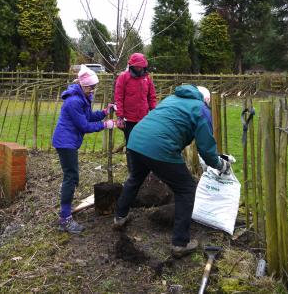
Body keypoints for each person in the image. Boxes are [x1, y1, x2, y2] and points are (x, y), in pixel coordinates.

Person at [113, 84, 231, 257]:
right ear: (206, 99)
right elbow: (206, 149)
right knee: (186, 189)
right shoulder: (201, 109)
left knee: (135, 178)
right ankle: (180, 243)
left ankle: (120, 217)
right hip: (160, 147)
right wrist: (220, 165)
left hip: (136, 140)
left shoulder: (171, 99)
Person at [52, 65, 116, 234]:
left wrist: (104, 112)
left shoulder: (83, 97)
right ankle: (65, 219)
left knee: (72, 177)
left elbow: (87, 116)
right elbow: (84, 125)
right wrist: (105, 125)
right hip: (65, 142)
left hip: (69, 141)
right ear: (82, 84)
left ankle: (65, 214)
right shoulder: (74, 101)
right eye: (90, 87)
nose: (92, 90)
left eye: (94, 87)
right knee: (71, 178)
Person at [114, 53, 157, 169]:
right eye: (137, 66)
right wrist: (120, 116)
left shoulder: (147, 78)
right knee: (131, 145)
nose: (139, 68)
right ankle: (132, 169)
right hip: (129, 119)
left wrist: (154, 112)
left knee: (144, 144)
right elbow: (118, 97)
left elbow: (151, 96)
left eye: (141, 66)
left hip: (144, 118)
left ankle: (143, 168)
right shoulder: (123, 77)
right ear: (131, 66)